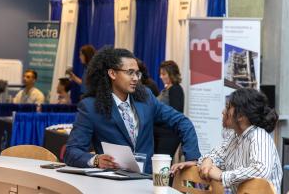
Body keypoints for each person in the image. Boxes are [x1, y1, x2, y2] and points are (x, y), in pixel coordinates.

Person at [64, 47, 200, 173]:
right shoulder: (90, 107)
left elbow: (182, 122)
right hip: (111, 184)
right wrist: (96, 160)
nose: (135, 78)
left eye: (137, 73)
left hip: (146, 183)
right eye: (130, 73)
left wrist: (192, 158)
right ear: (112, 73)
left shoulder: (146, 99)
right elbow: (72, 152)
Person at [171, 88, 282, 194]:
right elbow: (217, 156)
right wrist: (204, 161)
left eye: (228, 107)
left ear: (241, 116)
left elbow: (261, 170)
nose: (223, 112)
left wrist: (222, 176)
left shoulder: (259, 136)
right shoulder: (234, 137)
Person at [154, 60, 185, 158]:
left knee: (162, 166)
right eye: (160, 74)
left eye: (163, 74)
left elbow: (176, 114)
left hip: (168, 135)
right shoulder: (167, 89)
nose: (161, 76)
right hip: (162, 134)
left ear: (171, 74)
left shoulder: (176, 90)